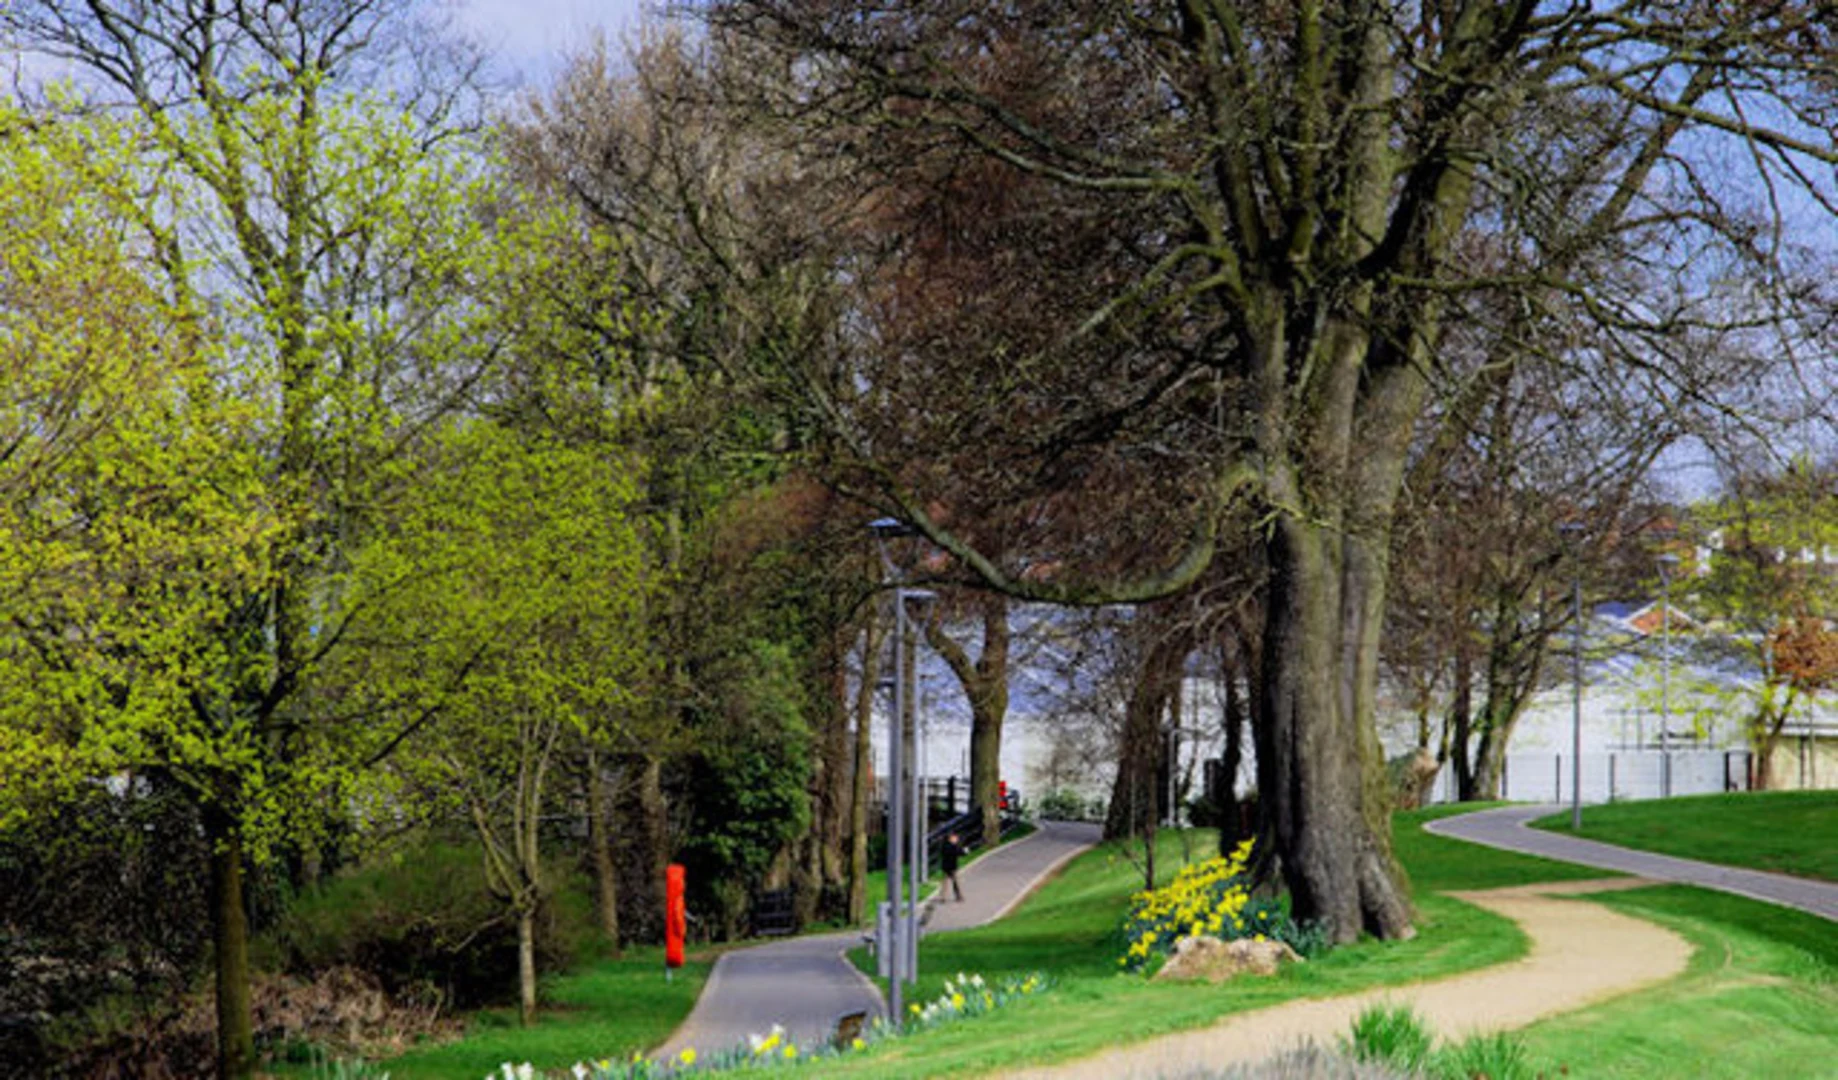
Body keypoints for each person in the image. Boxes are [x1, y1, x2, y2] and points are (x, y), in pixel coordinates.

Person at [940, 832, 964, 902]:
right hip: (952, 866)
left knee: (947, 882)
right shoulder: (952, 846)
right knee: (955, 882)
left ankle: (943, 897)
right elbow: (958, 853)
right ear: (950, 839)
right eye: (955, 838)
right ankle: (958, 896)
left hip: (946, 866)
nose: (957, 839)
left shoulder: (945, 845)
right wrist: (964, 851)